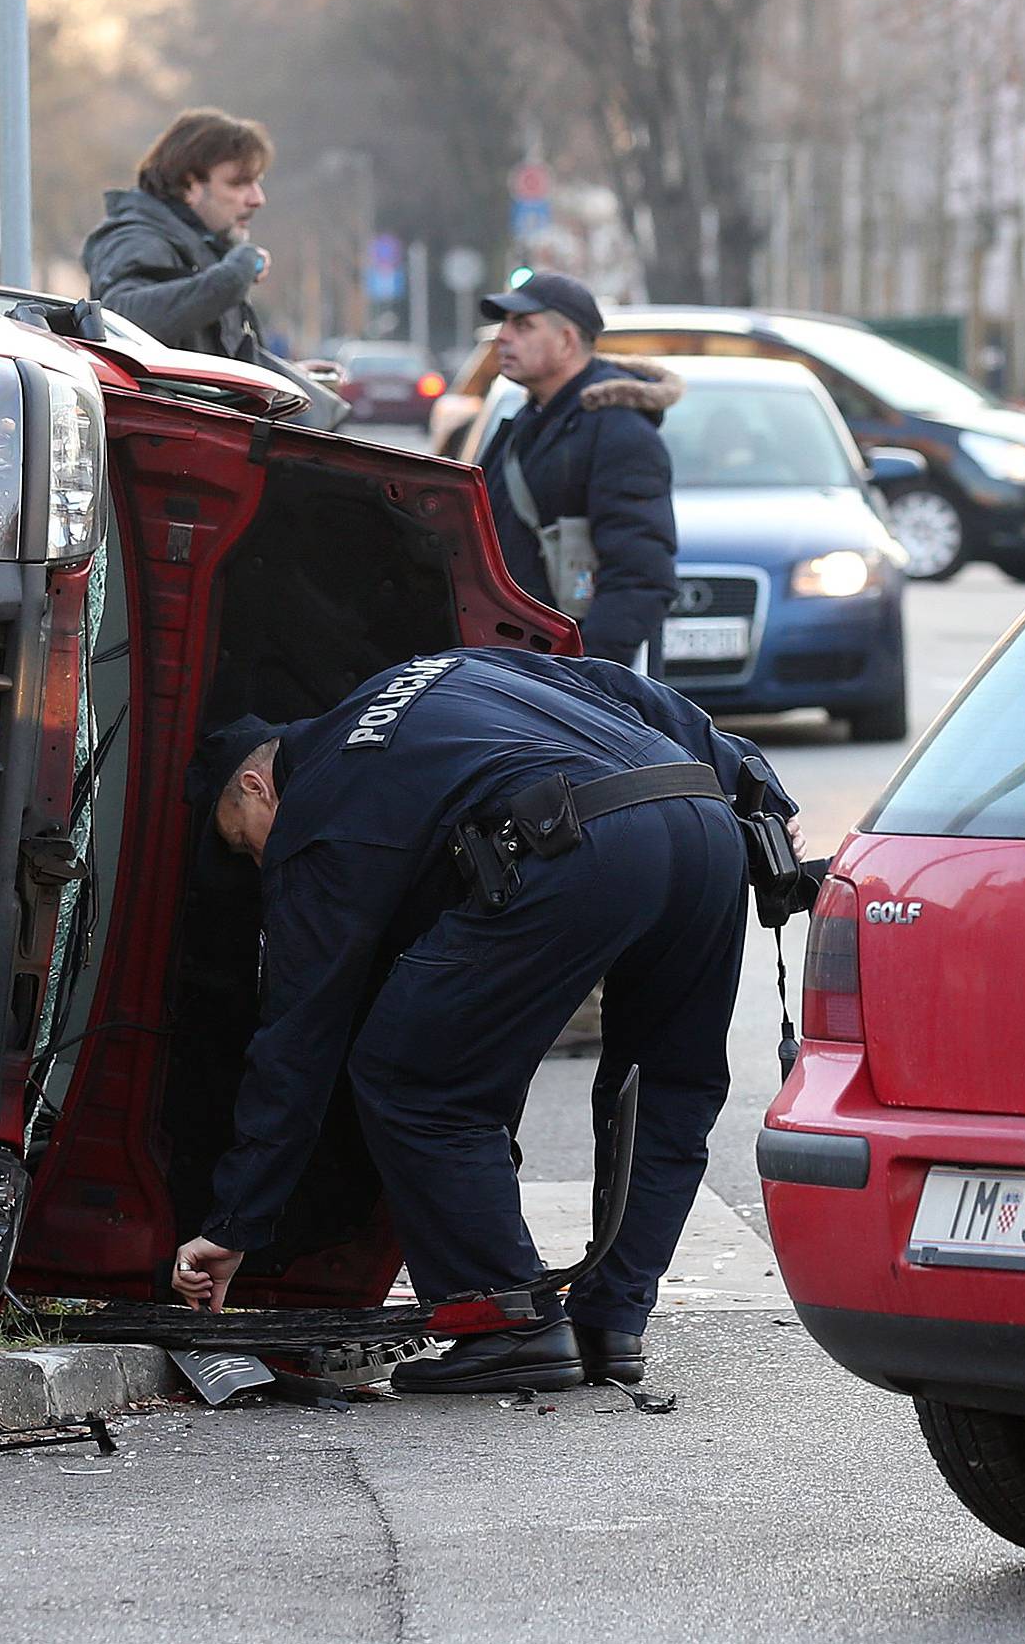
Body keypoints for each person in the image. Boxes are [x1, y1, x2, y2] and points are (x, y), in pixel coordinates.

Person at [170, 647, 799, 1396]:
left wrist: (236, 1220)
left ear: (255, 784)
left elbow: (298, 1039)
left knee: (413, 1078)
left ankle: (505, 1324)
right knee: (668, 1084)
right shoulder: (430, 670)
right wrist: (757, 788)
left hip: (582, 841)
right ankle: (611, 1322)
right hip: (706, 825)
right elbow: (623, 686)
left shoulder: (318, 815)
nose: (255, 860)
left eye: (243, 839)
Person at [82, 109, 347, 429]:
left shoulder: (199, 245)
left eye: (257, 183)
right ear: (189, 186)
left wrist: (290, 377)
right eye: (239, 183)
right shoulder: (136, 238)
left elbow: (205, 358)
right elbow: (123, 318)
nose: (257, 199)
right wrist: (235, 273)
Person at [476, 272, 679, 662]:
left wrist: (586, 676)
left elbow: (641, 578)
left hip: (565, 678)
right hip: (525, 666)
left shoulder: (619, 429)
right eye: (504, 324)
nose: (503, 336)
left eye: (523, 325)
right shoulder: (531, 422)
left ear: (567, 340)